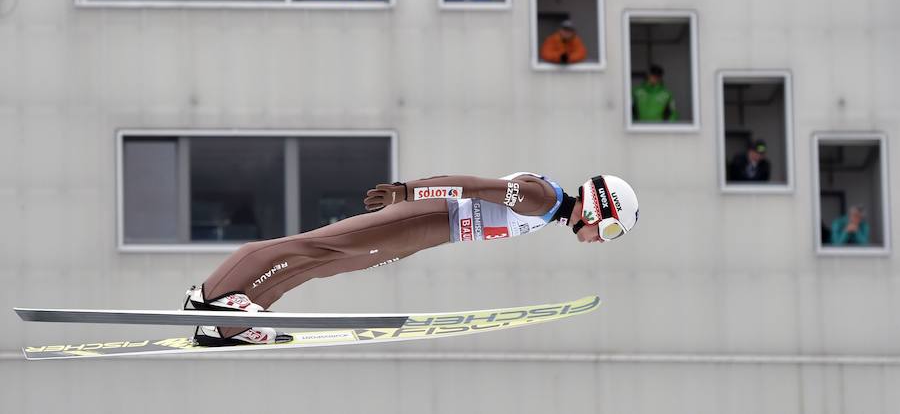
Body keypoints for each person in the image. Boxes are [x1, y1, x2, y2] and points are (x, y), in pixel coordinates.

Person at [183, 172, 639, 346]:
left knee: (327, 264)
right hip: (425, 216)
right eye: (611, 229)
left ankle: (234, 318)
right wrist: (408, 191)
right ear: (599, 206)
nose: (603, 239)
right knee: (318, 246)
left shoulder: (548, 211)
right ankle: (213, 297)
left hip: (429, 233)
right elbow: (473, 185)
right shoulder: (542, 197)